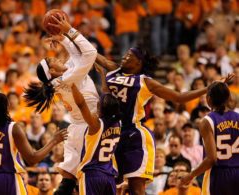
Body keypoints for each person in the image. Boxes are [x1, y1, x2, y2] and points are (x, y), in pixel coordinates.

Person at [95, 48, 234, 194]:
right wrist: (70, 34)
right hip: (113, 133)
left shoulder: (145, 81)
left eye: (130, 55)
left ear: (139, 62)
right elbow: (99, 58)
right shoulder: (116, 71)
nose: (125, 56)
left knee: (136, 188)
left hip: (134, 135)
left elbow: (179, 97)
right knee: (113, 185)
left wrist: (209, 87)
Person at [23, 14, 98, 195]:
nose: (57, 59)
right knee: (91, 177)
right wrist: (69, 30)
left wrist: (63, 39)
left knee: (68, 181)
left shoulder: (64, 76)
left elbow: (75, 55)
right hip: (89, 129)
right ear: (53, 71)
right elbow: (90, 53)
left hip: (77, 128)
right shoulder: (67, 79)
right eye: (53, 61)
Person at [0, 93, 67, 195]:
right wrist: (54, 141)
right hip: (8, 179)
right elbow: (32, 159)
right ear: (6, 108)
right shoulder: (13, 128)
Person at [180, 81, 239, 195]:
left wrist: (191, 175)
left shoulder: (207, 121)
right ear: (228, 98)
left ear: (208, 99)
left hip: (218, 175)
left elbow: (211, 159)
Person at [71, 84, 121, 195]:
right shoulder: (118, 124)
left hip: (92, 174)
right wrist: (103, 73)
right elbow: (107, 94)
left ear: (99, 108)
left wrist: (72, 84)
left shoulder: (96, 125)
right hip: (109, 176)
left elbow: (81, 104)